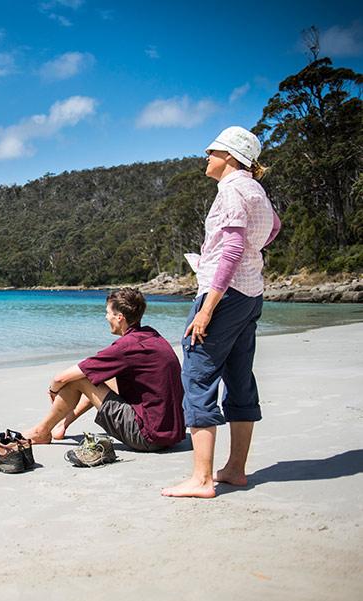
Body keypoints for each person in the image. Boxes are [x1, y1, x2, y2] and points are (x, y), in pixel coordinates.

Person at [162, 126, 280, 498]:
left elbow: (230, 250)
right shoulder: (255, 190)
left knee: (197, 374)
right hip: (250, 294)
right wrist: (253, 254)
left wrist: (207, 308)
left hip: (224, 295)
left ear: (230, 157)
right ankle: (235, 470)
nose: (207, 157)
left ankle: (201, 479)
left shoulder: (231, 191)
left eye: (212, 152)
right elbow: (272, 228)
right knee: (239, 376)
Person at [23, 288, 185, 453]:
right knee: (101, 376)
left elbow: (61, 378)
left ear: (119, 317)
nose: (105, 317)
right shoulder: (151, 335)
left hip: (148, 437)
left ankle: (41, 432)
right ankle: (62, 425)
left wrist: (53, 390)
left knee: (81, 378)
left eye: (107, 313)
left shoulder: (127, 347)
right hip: (171, 433)